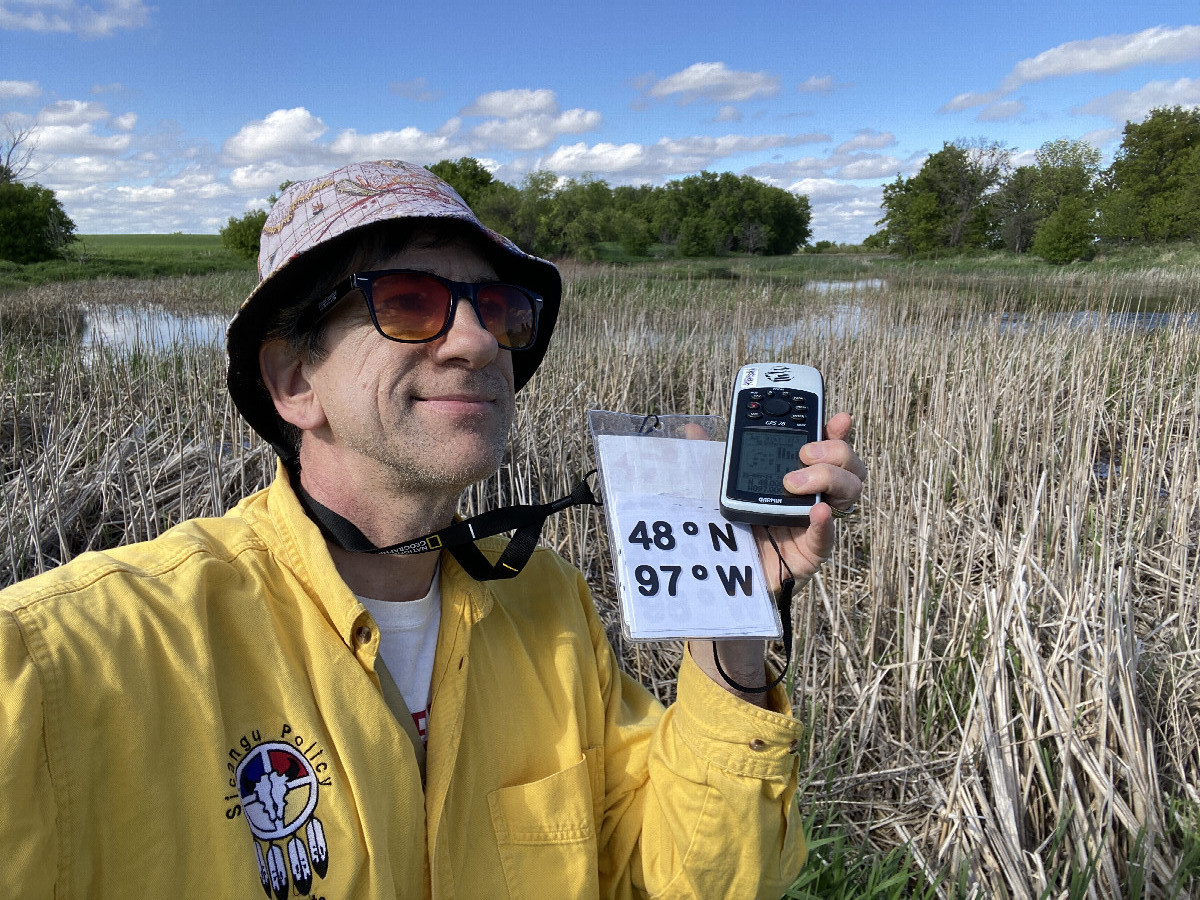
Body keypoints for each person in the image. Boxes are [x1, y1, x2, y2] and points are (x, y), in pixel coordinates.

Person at [1, 160, 866, 899]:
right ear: (295, 381)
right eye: (409, 302)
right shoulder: (77, 657)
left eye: (498, 308)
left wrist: (732, 611)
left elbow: (675, 878)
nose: (476, 341)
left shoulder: (547, 603)